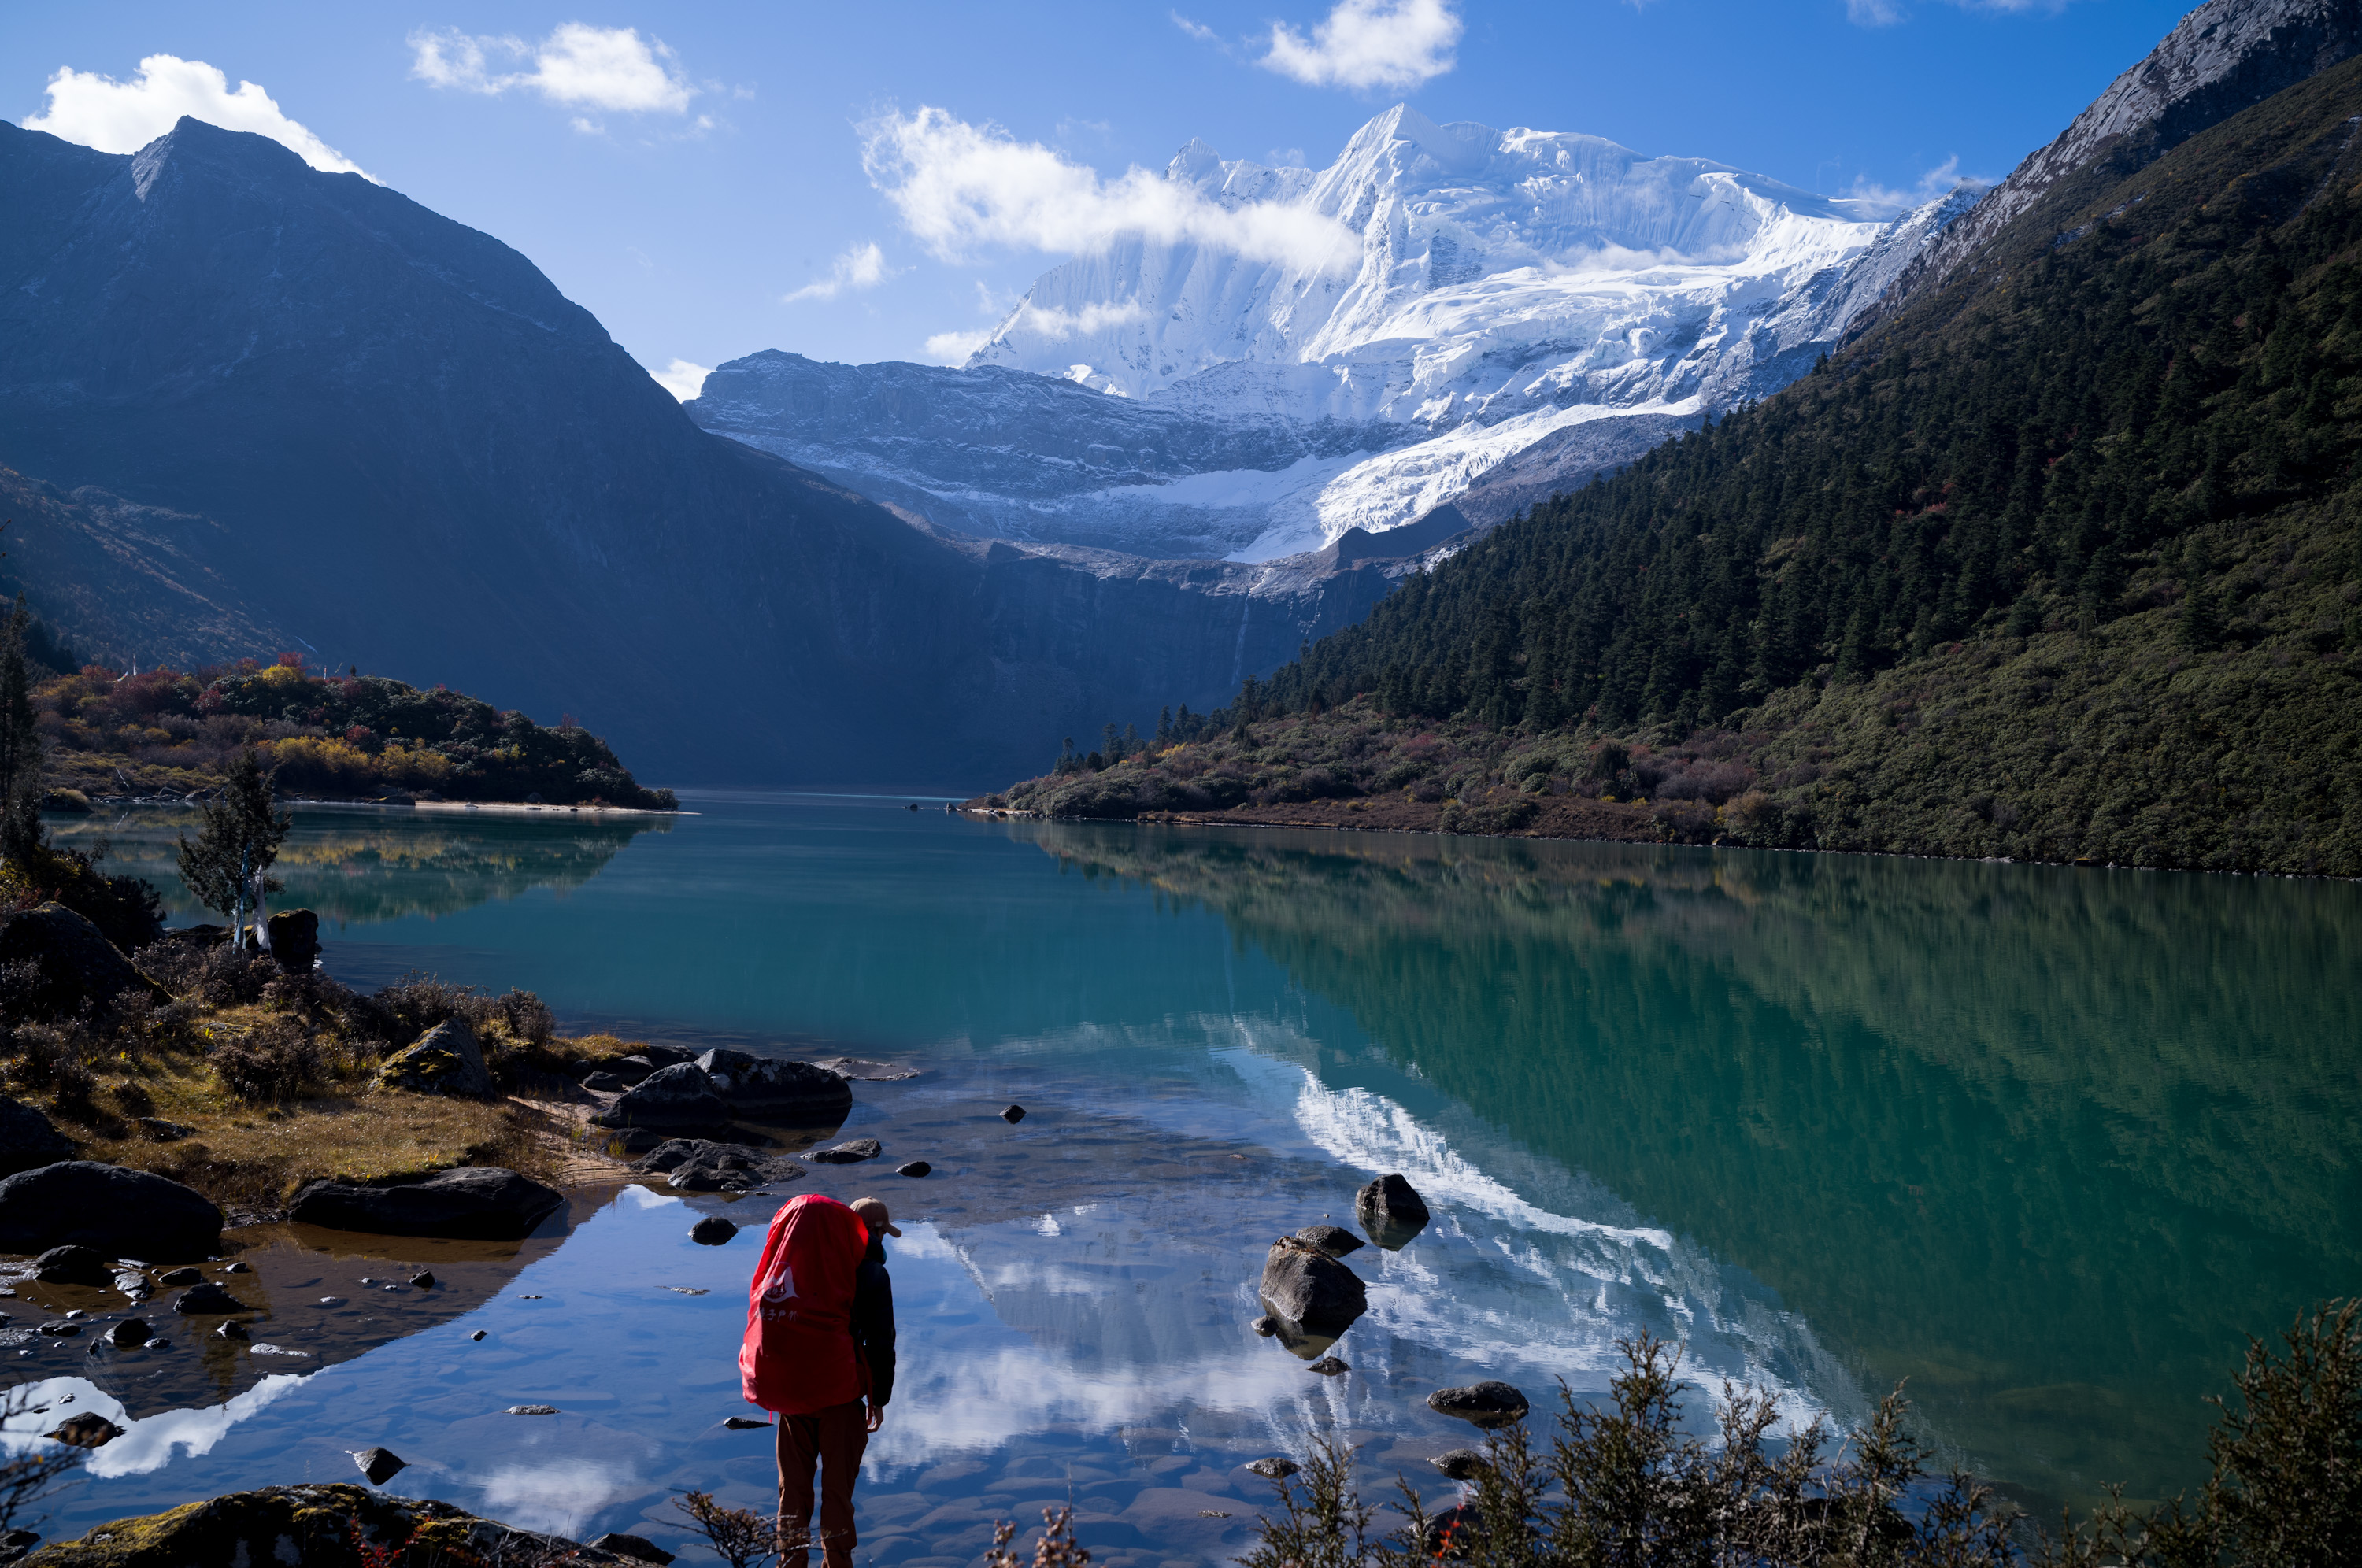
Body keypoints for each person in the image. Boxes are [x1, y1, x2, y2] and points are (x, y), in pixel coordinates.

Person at [739, 1191, 899, 1568]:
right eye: (882, 1233)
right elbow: (881, 1341)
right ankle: (837, 1563)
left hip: (792, 1393)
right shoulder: (871, 1272)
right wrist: (879, 1398)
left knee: (792, 1490)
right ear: (875, 1232)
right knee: (837, 1492)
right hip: (839, 1396)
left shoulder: (802, 1265)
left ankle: (790, 1562)